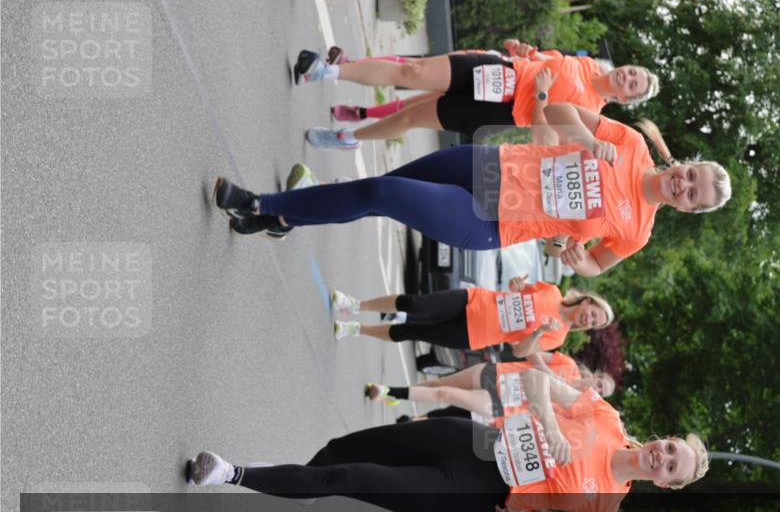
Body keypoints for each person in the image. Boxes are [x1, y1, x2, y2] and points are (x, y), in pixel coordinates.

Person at [186, 368, 710, 512]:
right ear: (661, 439)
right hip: (470, 441)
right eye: (670, 448)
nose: (661, 457)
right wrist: (550, 424)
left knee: (347, 476)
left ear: (665, 484)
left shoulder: (604, 510)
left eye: (671, 467)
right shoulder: (606, 418)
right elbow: (534, 380)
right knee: (342, 451)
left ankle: (230, 472)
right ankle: (298, 483)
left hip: (472, 491)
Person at [211, 103, 730, 275]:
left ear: (688, 210)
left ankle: (260, 203)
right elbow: (555, 111)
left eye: (693, 195)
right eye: (692, 175)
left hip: (490, 221)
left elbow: (593, 264)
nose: (684, 185)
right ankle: (283, 219)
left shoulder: (637, 232)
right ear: (686, 164)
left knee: (381, 196)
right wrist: (590, 140)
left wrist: (575, 259)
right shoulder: (631, 143)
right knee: (378, 187)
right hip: (486, 165)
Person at [294, 37, 658, 149]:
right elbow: (538, 60)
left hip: (499, 111)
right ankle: (327, 71)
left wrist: (542, 96)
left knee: (409, 118)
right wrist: (521, 50)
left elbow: (543, 137)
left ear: (625, 99)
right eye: (632, 71)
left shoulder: (592, 113)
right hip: (498, 71)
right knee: (412, 71)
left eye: (632, 84)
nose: (627, 76)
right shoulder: (587, 63)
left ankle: (348, 138)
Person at [328, 278, 613, 357]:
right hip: (475, 300)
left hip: (472, 334)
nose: (589, 320)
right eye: (593, 314)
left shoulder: (557, 336)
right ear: (587, 301)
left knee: (411, 332)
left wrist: (538, 332)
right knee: (415, 304)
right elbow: (517, 287)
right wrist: (516, 284)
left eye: (594, 324)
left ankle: (357, 329)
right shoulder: (551, 291)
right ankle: (355, 304)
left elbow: (519, 351)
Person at [364, 355, 614, 416]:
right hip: (498, 375)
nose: (598, 390)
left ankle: (387, 391)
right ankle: (398, 394)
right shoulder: (567, 364)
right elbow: (532, 353)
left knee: (444, 393)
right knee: (440, 383)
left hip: (502, 403)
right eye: (601, 385)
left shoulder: (570, 407)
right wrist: (549, 374)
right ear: (596, 376)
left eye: (602, 394)